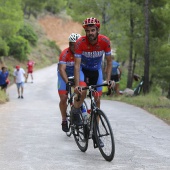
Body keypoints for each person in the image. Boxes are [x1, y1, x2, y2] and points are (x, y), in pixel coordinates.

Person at [72, 17, 115, 127]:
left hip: (96, 71)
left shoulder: (105, 41)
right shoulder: (80, 42)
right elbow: (76, 65)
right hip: (83, 70)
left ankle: (95, 130)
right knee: (82, 92)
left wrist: (109, 80)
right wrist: (77, 86)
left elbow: (109, 62)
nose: (90, 33)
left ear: (97, 30)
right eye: (87, 31)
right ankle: (75, 111)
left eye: (92, 30)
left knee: (97, 99)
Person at [57, 33, 81, 132]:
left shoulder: (82, 53)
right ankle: (64, 120)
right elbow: (62, 70)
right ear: (69, 44)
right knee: (64, 98)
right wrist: (67, 82)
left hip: (76, 75)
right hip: (64, 75)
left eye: (76, 45)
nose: (74, 47)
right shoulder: (64, 53)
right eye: (72, 45)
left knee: (80, 93)